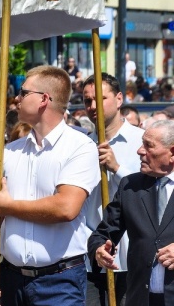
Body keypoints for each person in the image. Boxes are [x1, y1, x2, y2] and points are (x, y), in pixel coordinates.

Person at [0, 65, 100, 306]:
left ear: (44, 99)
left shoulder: (80, 147)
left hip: (59, 282)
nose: (17, 98)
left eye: (24, 93)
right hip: (10, 280)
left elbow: (66, 207)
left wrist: (9, 206)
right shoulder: (10, 152)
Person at [88, 120, 174, 306]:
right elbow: (102, 233)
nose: (140, 151)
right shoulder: (130, 186)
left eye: (148, 146)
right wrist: (100, 250)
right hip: (140, 299)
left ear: (172, 153)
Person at [82, 73, 145, 305]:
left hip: (132, 259)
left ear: (119, 99)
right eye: (87, 100)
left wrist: (116, 167)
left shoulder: (142, 142)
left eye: (100, 98)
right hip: (91, 259)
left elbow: (150, 193)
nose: (92, 106)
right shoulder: (82, 145)